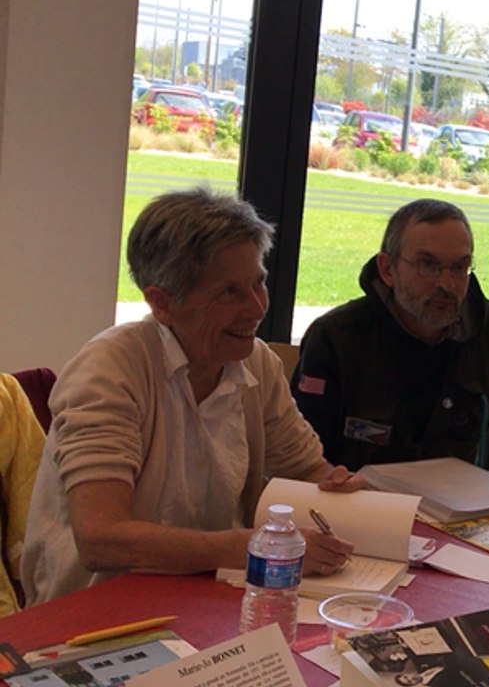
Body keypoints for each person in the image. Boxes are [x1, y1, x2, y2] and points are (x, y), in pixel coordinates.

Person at [21, 188, 363, 605]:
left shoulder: (257, 363)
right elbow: (101, 539)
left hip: (202, 597)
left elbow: (310, 471)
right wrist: (250, 547)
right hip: (93, 611)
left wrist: (339, 489)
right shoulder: (109, 370)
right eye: (229, 293)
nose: (256, 308)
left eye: (259, 283)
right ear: (162, 303)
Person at [292, 199, 489, 484]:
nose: (446, 285)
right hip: (362, 512)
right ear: (388, 269)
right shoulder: (336, 337)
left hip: (457, 511)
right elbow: (301, 458)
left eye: (459, 267)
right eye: (428, 265)